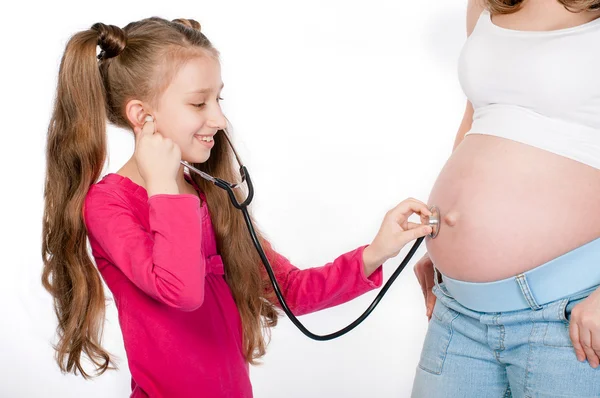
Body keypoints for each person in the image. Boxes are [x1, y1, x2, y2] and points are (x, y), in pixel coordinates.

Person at [40, 17, 433, 398]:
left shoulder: (210, 195)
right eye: (199, 103)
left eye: (218, 98)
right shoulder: (109, 205)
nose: (220, 118)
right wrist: (162, 185)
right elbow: (181, 291)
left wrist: (376, 251)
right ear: (143, 116)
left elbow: (288, 290)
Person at [412, 0, 600, 396]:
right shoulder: (486, 3)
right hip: (456, 309)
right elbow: (476, 119)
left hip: (568, 315)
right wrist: (445, 237)